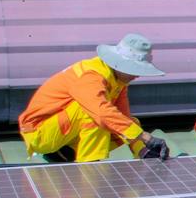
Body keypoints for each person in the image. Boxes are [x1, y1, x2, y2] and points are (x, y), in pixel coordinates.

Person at [19, 33, 170, 163]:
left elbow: (124, 119)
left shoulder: (118, 81)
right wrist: (146, 137)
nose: (137, 75)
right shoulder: (91, 75)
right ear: (120, 65)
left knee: (129, 124)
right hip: (39, 133)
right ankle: (90, 167)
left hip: (63, 131)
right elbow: (101, 113)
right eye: (134, 70)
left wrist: (143, 150)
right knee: (98, 114)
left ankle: (65, 152)